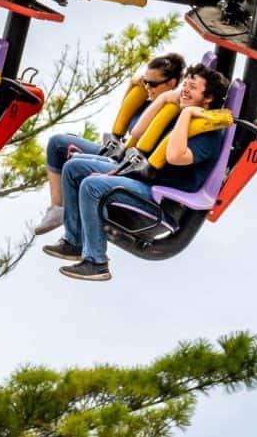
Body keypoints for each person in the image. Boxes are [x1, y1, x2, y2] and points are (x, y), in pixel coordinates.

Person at [49, 62, 230, 283]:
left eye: (192, 87)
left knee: (91, 185)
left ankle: (96, 263)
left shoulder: (207, 135)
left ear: (208, 98)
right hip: (143, 180)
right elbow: (138, 132)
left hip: (159, 202)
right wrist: (165, 100)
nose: (185, 90)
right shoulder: (179, 113)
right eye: (185, 84)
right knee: (73, 167)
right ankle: (75, 241)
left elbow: (175, 156)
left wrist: (186, 115)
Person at [35, 52, 184, 235]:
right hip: (117, 153)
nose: (147, 88)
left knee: (75, 167)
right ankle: (58, 208)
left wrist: (162, 99)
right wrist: (132, 83)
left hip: (132, 169)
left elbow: (138, 132)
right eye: (145, 82)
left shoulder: (171, 111)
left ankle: (76, 235)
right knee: (57, 143)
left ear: (171, 84)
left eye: (152, 84)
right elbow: (124, 115)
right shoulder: (149, 100)